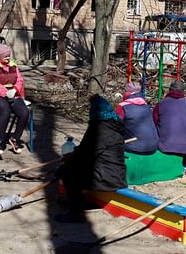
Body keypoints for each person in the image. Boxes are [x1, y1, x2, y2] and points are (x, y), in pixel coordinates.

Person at [54, 94, 127, 223]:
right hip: (118, 173)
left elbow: (85, 154)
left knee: (68, 173)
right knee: (71, 168)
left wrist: (66, 162)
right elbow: (88, 151)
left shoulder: (99, 127)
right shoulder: (116, 125)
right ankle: (81, 201)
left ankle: (75, 213)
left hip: (106, 176)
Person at [0, 43, 29, 158]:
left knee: (24, 113)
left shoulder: (13, 65)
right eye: (5, 56)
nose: (8, 58)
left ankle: (15, 139)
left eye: (8, 55)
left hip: (13, 94)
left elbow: (19, 80)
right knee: (5, 111)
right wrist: (5, 93)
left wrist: (14, 90)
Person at [152, 79, 186, 156]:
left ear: (169, 90)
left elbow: (153, 125)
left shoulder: (161, 104)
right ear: (183, 91)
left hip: (165, 147)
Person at [116, 81, 159, 155]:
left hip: (134, 146)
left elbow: (115, 126)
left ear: (127, 92)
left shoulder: (122, 106)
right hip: (153, 145)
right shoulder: (146, 106)